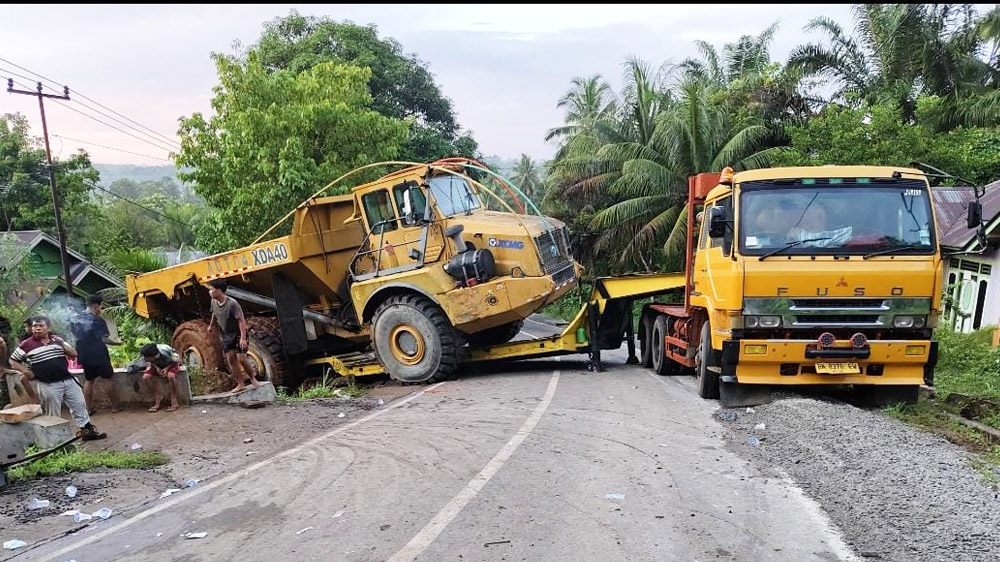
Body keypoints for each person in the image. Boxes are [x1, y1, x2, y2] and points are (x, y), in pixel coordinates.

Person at [8, 315, 107, 441]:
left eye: (41, 326)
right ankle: (55, 439)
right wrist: (25, 371)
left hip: (67, 379)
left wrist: (60, 343)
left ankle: (87, 431)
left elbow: (73, 354)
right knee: (52, 412)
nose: (37, 329)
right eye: (34, 326)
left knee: (79, 405)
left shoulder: (57, 340)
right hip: (47, 383)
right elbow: (13, 360)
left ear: (48, 328)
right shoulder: (26, 345)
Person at [71, 294, 122, 414]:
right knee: (108, 379)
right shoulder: (98, 320)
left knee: (89, 380)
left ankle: (88, 409)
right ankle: (115, 407)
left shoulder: (75, 319)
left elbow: (74, 337)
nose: (101, 310)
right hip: (99, 354)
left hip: (84, 353)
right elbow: (104, 339)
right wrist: (117, 343)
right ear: (95, 306)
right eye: (101, 307)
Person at [207, 279, 259, 393]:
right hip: (225, 334)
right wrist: (211, 325)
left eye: (211, 290)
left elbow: (241, 321)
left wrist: (243, 338)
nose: (209, 292)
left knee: (242, 359)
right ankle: (240, 383)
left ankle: (252, 378)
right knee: (231, 358)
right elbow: (214, 313)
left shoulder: (232, 304)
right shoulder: (213, 302)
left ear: (219, 290)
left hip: (238, 334)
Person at [140, 342, 181, 412]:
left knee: (171, 376)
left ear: (153, 356)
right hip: (157, 365)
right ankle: (158, 396)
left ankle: (173, 397)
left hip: (171, 364)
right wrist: (157, 368)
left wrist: (166, 369)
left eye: (147, 357)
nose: (145, 358)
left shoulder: (166, 352)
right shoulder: (149, 356)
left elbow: (176, 361)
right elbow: (150, 362)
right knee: (146, 377)